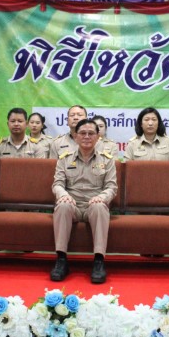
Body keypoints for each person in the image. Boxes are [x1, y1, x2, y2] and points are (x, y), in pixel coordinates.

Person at [50, 119, 117, 284]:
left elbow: (112, 187)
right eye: (83, 133)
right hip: (72, 204)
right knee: (62, 205)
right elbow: (57, 184)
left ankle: (99, 261)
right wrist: (63, 195)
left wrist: (102, 197)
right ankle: (61, 260)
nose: (87, 136)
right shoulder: (64, 158)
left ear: (98, 137)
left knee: (100, 207)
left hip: (93, 204)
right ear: (75, 136)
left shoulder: (107, 159)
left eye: (91, 133)